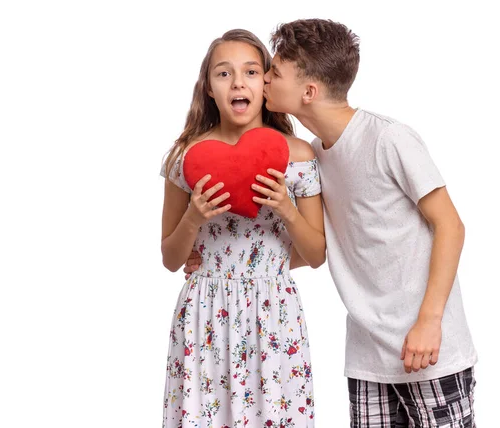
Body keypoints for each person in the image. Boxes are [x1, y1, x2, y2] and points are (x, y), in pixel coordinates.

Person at [188, 19, 478, 427]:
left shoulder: (389, 139)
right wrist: (224, 261)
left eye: (273, 73)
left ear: (308, 91)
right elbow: (317, 248)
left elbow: (451, 225)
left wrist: (430, 322)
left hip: (429, 346)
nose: (263, 80)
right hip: (366, 355)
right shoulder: (313, 156)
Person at [160, 29, 325, 427]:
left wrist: (287, 208)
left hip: (274, 314)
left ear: (265, 83)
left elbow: (317, 254)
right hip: (204, 315)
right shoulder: (186, 157)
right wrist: (194, 219)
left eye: (251, 71)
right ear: (208, 88)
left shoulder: (298, 154)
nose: (238, 82)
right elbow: (170, 258)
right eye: (224, 73)